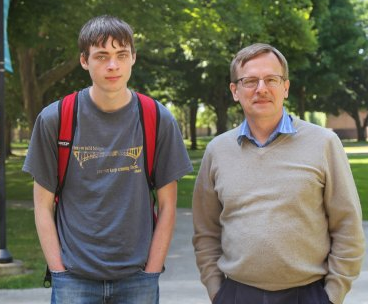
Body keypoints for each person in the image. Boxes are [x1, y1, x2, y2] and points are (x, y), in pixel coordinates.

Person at [23, 15, 193, 304]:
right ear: (84, 61)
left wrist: (151, 271)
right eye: (101, 56)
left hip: (138, 277)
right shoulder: (56, 119)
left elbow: (167, 206)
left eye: (121, 55)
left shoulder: (157, 119)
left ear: (133, 58)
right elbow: (42, 205)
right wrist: (58, 271)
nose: (112, 65)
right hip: (74, 279)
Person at [192, 43, 365, 304]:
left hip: (307, 295)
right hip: (237, 295)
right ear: (235, 91)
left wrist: (332, 295)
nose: (261, 89)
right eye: (249, 81)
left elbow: (347, 226)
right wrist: (217, 291)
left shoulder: (324, 143)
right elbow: (206, 230)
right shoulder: (217, 151)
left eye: (271, 79)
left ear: (285, 87)